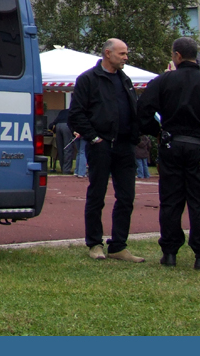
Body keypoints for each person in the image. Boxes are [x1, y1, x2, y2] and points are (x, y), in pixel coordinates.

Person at [137, 37, 200, 270]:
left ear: (177, 56)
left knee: (170, 201)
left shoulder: (162, 82)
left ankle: (169, 252)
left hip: (171, 144)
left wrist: (158, 131)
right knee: (199, 202)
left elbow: (142, 113)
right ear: (195, 56)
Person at [68, 38, 144, 262]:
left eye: (126, 53)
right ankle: (94, 243)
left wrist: (134, 136)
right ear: (107, 54)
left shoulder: (125, 80)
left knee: (126, 197)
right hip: (101, 146)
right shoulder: (88, 80)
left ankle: (119, 245)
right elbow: (76, 114)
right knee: (97, 195)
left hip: (124, 146)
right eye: (122, 54)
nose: (126, 57)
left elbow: (133, 110)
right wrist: (94, 138)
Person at [51, 108, 75, 174]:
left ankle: (62, 168)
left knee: (60, 148)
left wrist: (52, 129)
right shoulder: (74, 111)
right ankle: (66, 170)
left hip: (58, 126)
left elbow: (53, 123)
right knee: (68, 148)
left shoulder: (62, 111)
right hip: (67, 126)